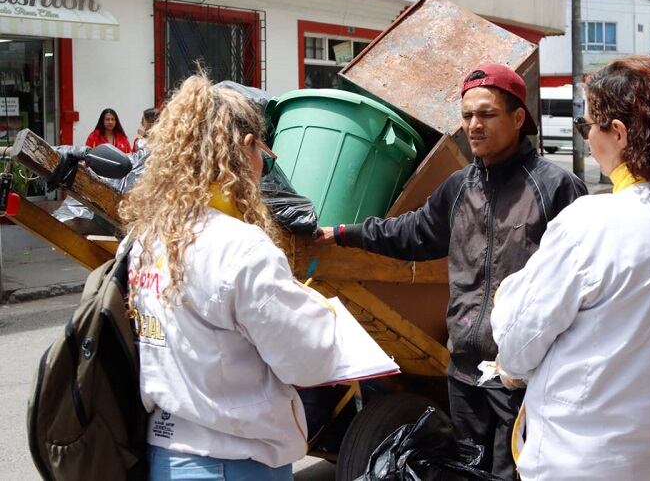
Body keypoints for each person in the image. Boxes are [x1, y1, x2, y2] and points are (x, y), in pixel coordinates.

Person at [490, 56, 650, 480]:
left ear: (619, 133)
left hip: (591, 462)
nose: (587, 138)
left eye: (587, 125)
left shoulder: (592, 223)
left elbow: (519, 344)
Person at [329, 63, 587, 479]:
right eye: (467, 116)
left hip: (522, 377)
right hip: (464, 372)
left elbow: (580, 282)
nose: (473, 125)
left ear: (518, 118)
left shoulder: (556, 187)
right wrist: (341, 233)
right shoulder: (459, 187)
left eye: (486, 114)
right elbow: (410, 233)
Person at [120, 74, 343, 480]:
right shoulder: (241, 247)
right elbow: (309, 363)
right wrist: (318, 313)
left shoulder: (149, 236)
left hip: (165, 456)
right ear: (246, 148)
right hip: (233, 462)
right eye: (264, 153)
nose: (263, 167)